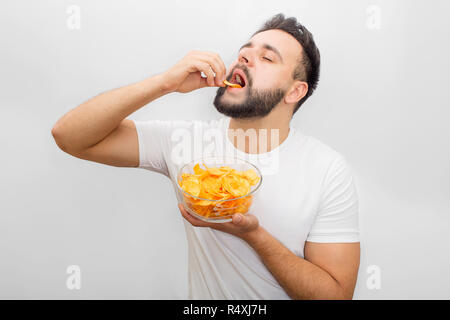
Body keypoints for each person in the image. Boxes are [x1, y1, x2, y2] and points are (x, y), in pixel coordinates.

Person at [51, 13, 360, 300]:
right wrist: (165, 83)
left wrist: (255, 236)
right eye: (244, 51)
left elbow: (336, 295)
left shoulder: (327, 170)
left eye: (266, 57)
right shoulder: (186, 142)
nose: (244, 57)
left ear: (294, 92)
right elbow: (69, 137)